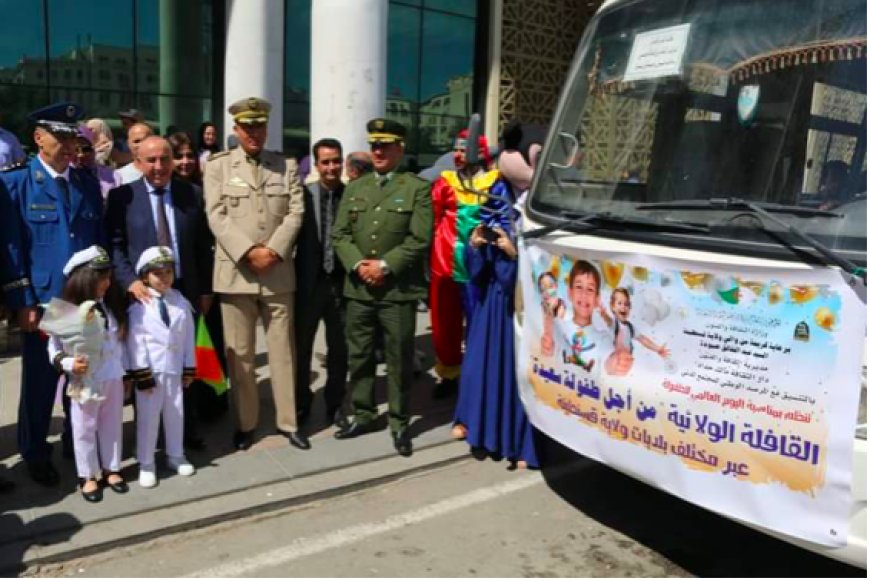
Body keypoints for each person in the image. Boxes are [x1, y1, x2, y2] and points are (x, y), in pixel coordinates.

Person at [0, 101, 106, 487]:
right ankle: (34, 451)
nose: (67, 144)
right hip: (47, 302)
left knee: (81, 375)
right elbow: (12, 249)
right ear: (38, 137)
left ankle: (73, 441)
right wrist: (23, 300)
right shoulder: (16, 183)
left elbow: (97, 239)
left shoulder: (85, 182)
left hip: (83, 302)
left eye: (71, 137)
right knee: (41, 382)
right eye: (59, 136)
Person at [204, 96, 308, 452]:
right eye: (247, 127)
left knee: (283, 352)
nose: (254, 133)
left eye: (259, 126)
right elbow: (216, 215)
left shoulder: (286, 166)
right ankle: (246, 424)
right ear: (236, 130)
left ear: (267, 128)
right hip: (236, 273)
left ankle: (288, 422)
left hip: (277, 272)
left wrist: (274, 251)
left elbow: (295, 212)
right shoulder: (217, 166)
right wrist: (249, 252)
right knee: (241, 356)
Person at [105, 135, 214, 451]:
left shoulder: (191, 194)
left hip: (185, 290)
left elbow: (201, 247)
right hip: (144, 294)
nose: (159, 166)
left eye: (165, 159)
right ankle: (148, 438)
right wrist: (129, 282)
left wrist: (205, 289)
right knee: (149, 367)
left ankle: (185, 431)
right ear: (138, 162)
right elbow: (115, 246)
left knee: (184, 364)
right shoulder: (122, 197)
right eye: (151, 160)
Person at [332, 118, 433, 457]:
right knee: (358, 355)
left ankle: (400, 422)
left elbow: (420, 238)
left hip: (397, 291)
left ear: (400, 149)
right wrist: (360, 265)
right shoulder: (355, 188)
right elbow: (340, 235)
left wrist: (385, 265)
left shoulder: (415, 188)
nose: (378, 151)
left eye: (385, 145)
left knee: (398, 357)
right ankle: (363, 414)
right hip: (359, 288)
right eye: (374, 145)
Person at [453, 195, 538, 469]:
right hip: (487, 308)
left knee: (511, 374)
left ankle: (515, 443)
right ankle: (474, 426)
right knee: (478, 369)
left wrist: (513, 254)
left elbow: (521, 279)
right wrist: (475, 247)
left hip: (515, 311)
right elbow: (476, 275)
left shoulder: (532, 217)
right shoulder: (495, 210)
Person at [41, 246, 129, 502]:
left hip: (112, 374)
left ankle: (112, 467)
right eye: (101, 278)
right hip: (84, 379)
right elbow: (52, 348)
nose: (107, 283)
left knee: (112, 423)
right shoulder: (64, 309)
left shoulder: (110, 305)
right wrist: (68, 363)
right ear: (84, 279)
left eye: (108, 277)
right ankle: (88, 475)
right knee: (84, 427)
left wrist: (127, 374)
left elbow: (119, 341)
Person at [429, 128, 500, 400]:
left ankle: (478, 376)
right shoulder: (444, 182)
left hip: (480, 266)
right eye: (455, 149)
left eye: (463, 149)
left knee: (479, 322)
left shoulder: (494, 183)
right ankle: (449, 374)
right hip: (445, 265)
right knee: (445, 324)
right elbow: (434, 221)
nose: (457, 155)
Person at [127, 247, 197, 488]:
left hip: (175, 370)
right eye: (158, 274)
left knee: (176, 413)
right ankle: (146, 463)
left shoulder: (180, 301)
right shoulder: (139, 306)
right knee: (148, 417)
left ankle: (176, 455)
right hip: (152, 373)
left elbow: (188, 337)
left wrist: (189, 367)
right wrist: (142, 374)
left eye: (168, 271)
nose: (165, 277)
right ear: (145, 277)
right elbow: (135, 342)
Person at [294, 138, 349, 428]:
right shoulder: (302, 196)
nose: (331, 167)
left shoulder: (352, 196)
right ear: (316, 165)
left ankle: (335, 404)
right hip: (308, 285)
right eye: (325, 162)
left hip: (341, 284)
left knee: (339, 349)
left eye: (336, 161)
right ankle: (301, 403)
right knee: (301, 348)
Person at [74, 125, 120, 198]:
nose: (80, 155)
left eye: (86, 149)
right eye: (75, 150)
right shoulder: (64, 176)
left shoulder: (113, 176)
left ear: (94, 149)